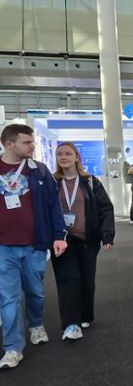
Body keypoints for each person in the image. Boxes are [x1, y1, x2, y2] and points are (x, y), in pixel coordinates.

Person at [0, 124, 68, 369]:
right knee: (8, 298)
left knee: (35, 291)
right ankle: (12, 347)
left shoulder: (39, 170)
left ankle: (36, 324)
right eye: (27, 142)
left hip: (34, 244)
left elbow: (53, 205)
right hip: (3, 247)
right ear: (9, 144)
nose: (33, 146)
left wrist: (59, 235)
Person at [52, 142, 115, 341]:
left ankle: (85, 315)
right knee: (69, 279)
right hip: (62, 240)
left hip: (87, 239)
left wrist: (107, 234)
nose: (63, 157)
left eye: (68, 153)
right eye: (59, 154)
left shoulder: (90, 181)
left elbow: (105, 208)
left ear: (77, 157)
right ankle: (71, 324)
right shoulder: (52, 182)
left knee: (87, 280)